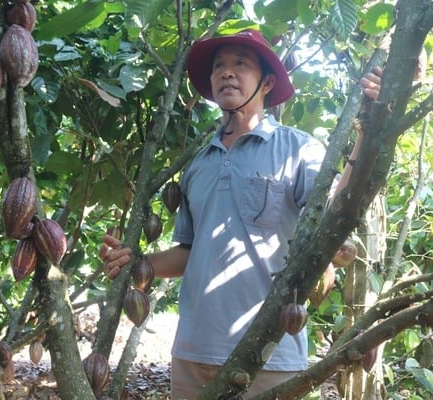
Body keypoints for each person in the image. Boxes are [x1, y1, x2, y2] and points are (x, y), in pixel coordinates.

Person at [100, 29, 382, 398]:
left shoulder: (299, 149)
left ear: (266, 82)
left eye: (240, 64)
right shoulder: (198, 165)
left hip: (270, 353)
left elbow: (335, 214)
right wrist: (138, 261)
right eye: (219, 66)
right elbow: (190, 252)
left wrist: (369, 127)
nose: (226, 73)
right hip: (193, 351)